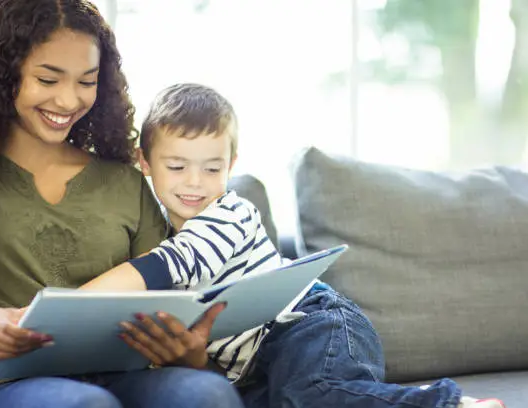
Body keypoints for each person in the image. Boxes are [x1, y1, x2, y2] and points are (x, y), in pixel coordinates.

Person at [84, 83, 507, 408]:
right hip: (256, 366)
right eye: (176, 166)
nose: (195, 182)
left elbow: (162, 266)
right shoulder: (149, 228)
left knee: (314, 393)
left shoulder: (230, 214)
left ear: (231, 165)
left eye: (212, 167)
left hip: (309, 322)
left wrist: (69, 306)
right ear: (145, 162)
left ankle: (449, 403)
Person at [0, 2, 244, 408]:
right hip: (4, 386)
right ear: (3, 75)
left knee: (206, 392)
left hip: (123, 375)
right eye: (48, 79)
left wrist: (188, 353)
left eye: (86, 81)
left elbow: (167, 307)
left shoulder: (125, 183)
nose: (68, 100)